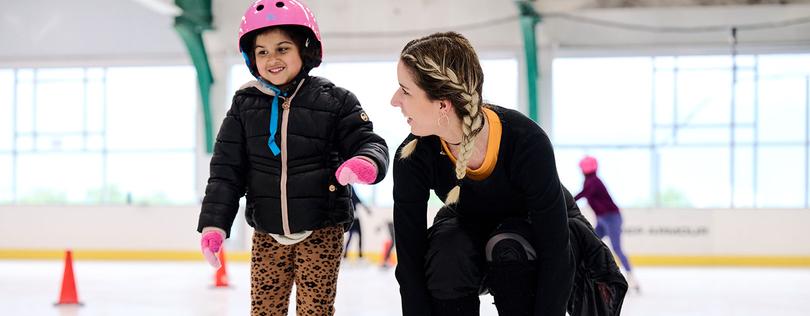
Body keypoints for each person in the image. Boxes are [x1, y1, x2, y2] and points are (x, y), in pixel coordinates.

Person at [196, 1, 389, 315]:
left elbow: (368, 141)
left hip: (321, 229)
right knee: (265, 309)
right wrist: (214, 225)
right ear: (251, 58)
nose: (272, 59)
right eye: (262, 52)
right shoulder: (245, 105)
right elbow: (226, 171)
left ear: (306, 50)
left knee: (316, 310)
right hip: (267, 233)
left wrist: (365, 162)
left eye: (282, 48)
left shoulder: (336, 100)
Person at [390, 31, 574, 316]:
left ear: (442, 104)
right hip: (466, 228)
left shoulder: (526, 142)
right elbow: (410, 264)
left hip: (526, 237)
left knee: (509, 246)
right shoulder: (412, 156)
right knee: (447, 253)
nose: (394, 100)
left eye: (405, 90)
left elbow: (557, 255)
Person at [575, 156, 639, 292]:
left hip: (611, 218)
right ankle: (592, 275)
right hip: (603, 219)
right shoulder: (590, 181)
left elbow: (584, 194)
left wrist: (567, 200)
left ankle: (631, 278)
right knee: (591, 243)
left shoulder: (593, 182)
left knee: (616, 247)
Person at [344, 186, 372, 259]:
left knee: (359, 235)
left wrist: (366, 209)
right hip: (351, 218)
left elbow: (358, 200)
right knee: (351, 236)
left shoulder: (351, 190)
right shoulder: (347, 191)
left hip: (355, 217)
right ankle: (346, 254)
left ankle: (359, 254)